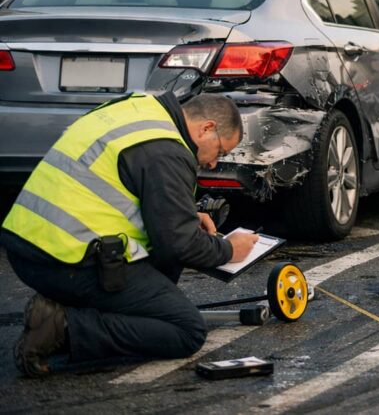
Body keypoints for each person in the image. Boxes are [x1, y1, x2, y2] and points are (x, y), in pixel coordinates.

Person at [2, 93, 259, 376]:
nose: (213, 163)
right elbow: (179, 245)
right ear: (207, 128)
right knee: (186, 329)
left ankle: (68, 309)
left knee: (161, 272)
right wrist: (229, 249)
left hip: (25, 242)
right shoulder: (167, 150)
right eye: (221, 152)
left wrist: (185, 214)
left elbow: (112, 186)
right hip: (67, 259)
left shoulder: (137, 108)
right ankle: (63, 326)